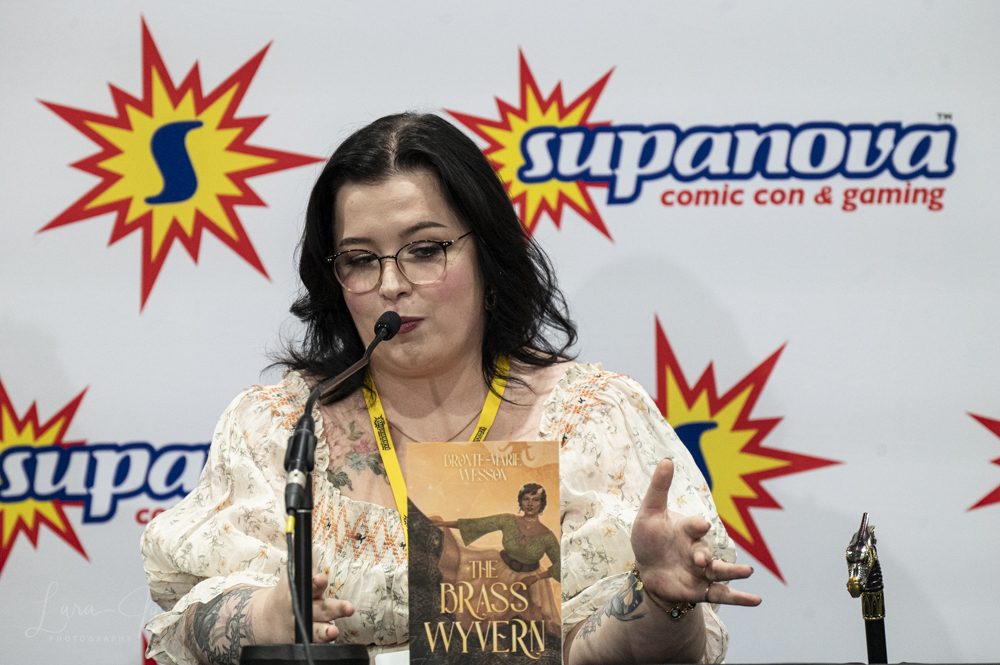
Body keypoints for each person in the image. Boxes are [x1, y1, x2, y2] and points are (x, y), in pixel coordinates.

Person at [140, 112, 761, 665]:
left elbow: (610, 652)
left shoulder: (591, 422)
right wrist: (267, 617)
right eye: (360, 259)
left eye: (424, 250)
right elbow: (185, 619)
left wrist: (658, 600)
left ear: (487, 257)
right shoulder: (282, 426)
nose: (391, 284)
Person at [429, 483, 561, 634]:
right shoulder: (508, 520)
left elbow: (560, 566)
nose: (530, 504)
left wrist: (537, 577)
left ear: (542, 503)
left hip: (530, 581)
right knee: (482, 614)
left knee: (528, 626)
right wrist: (443, 524)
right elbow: (478, 525)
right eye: (526, 499)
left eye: (535, 499)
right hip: (500, 570)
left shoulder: (547, 536)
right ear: (520, 501)